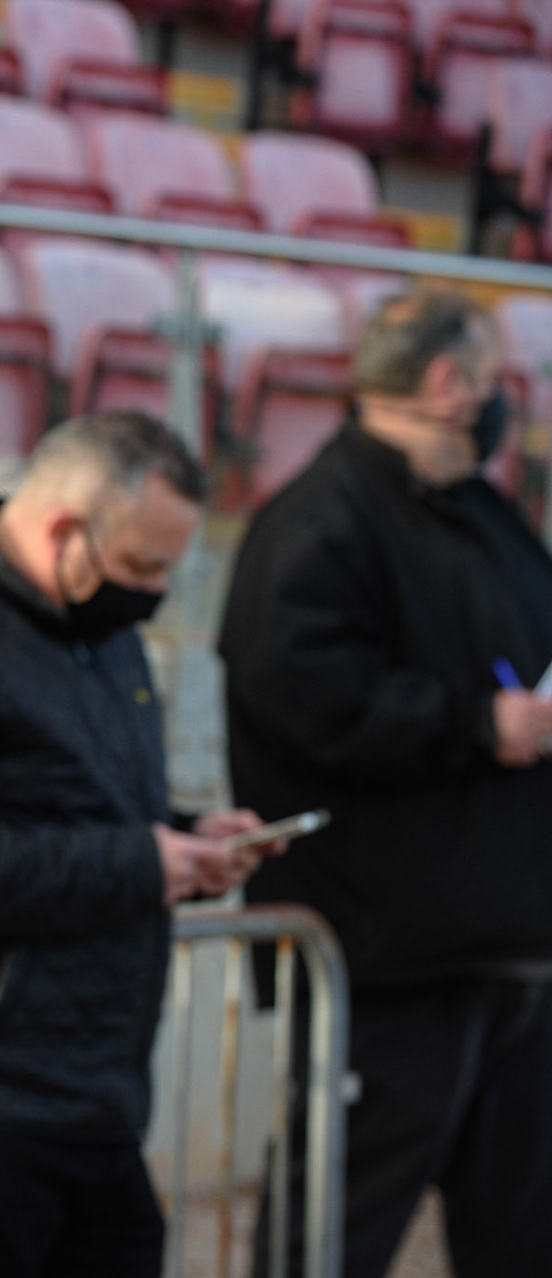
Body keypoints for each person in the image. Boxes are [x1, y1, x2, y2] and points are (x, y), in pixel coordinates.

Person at [0, 411, 283, 1278]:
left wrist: (186, 841)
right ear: (65, 527)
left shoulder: (101, 630)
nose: (151, 591)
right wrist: (143, 863)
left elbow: (78, 807)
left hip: (90, 1097)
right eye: (142, 566)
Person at [220, 289, 552, 1278]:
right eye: (496, 380)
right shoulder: (320, 521)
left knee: (523, 1235)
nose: (506, 403)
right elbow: (306, 691)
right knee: (332, 1238)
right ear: (450, 385)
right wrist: (474, 720)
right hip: (385, 965)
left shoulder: (485, 514)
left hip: (510, 955)